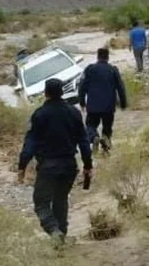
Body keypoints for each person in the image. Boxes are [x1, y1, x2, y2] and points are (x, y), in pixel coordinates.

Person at [18, 78, 93, 247]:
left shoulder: (39, 114)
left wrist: (22, 166)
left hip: (48, 167)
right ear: (62, 92)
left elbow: (30, 144)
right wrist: (88, 165)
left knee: (41, 203)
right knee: (61, 199)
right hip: (69, 166)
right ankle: (62, 237)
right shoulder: (73, 113)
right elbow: (83, 141)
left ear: (45, 93)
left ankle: (54, 231)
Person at [79, 48, 127, 153]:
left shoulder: (89, 69)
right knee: (107, 127)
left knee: (90, 125)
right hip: (109, 106)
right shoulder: (113, 70)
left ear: (98, 56)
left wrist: (82, 102)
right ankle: (106, 149)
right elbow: (120, 87)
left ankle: (94, 137)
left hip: (93, 106)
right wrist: (123, 103)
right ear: (108, 57)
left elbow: (82, 86)